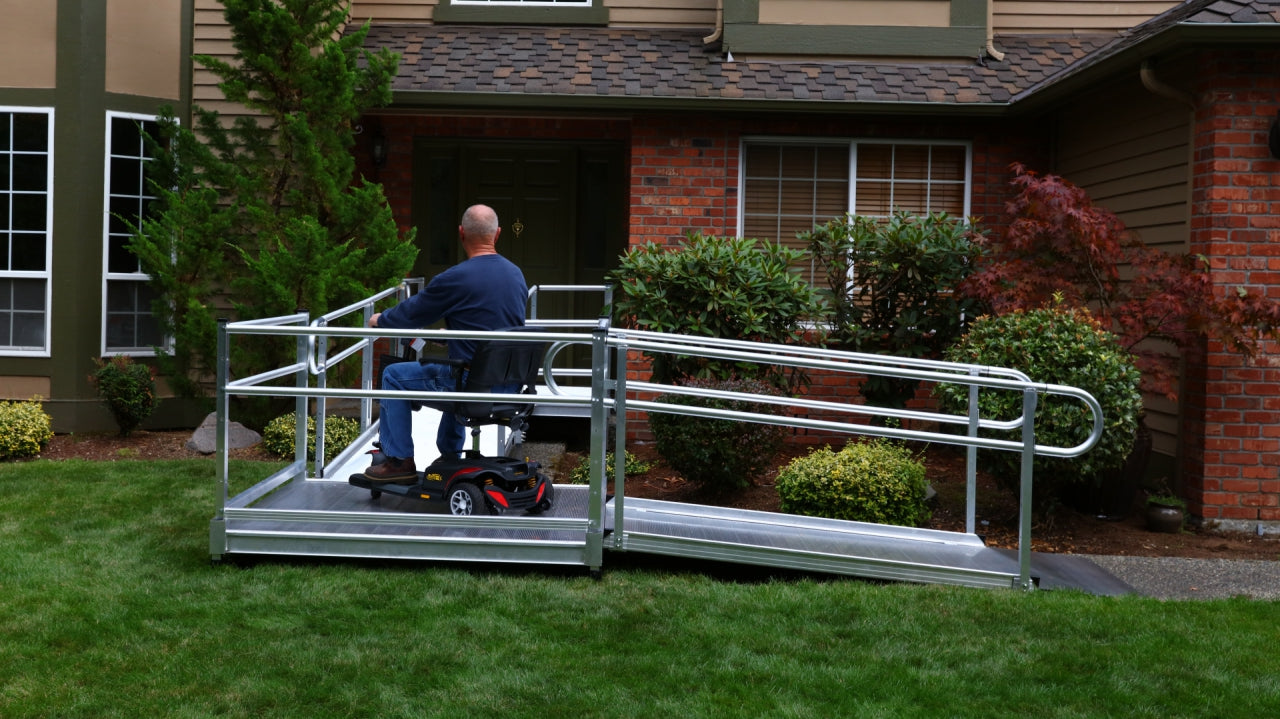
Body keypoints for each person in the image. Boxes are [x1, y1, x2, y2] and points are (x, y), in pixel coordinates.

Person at [362, 204, 527, 483]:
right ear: (497, 234)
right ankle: (449, 455)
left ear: (461, 233)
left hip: (470, 384)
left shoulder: (456, 278)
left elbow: (410, 314)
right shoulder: (516, 275)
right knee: (460, 367)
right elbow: (490, 327)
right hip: (508, 385)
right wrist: (451, 334)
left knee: (394, 376)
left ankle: (399, 461)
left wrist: (380, 319)